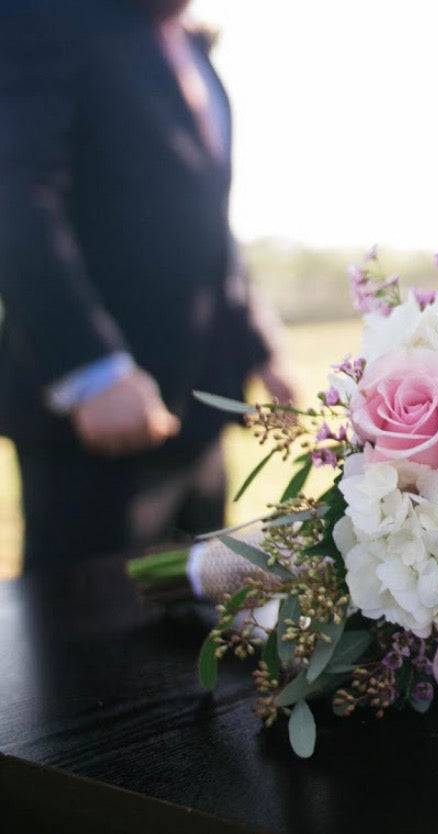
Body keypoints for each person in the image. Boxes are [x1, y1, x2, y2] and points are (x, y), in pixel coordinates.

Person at [0, 0, 294, 568]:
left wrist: (258, 339)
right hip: (95, 429)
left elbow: (203, 216)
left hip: (203, 410)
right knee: (87, 642)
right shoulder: (40, 17)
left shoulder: (189, 45)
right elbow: (18, 197)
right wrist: (90, 369)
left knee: (201, 632)